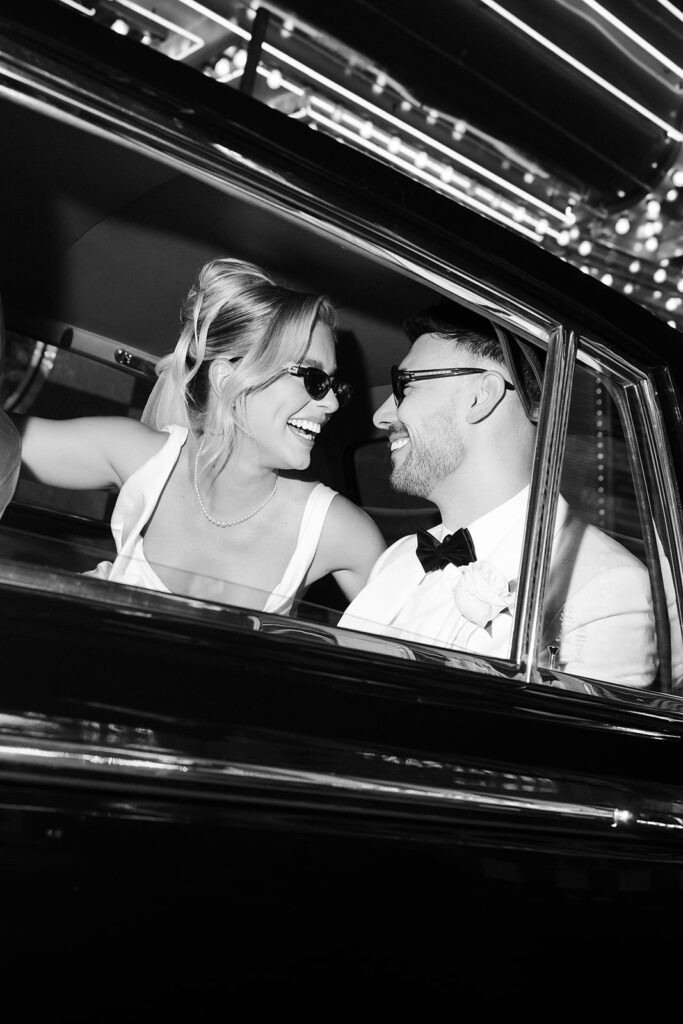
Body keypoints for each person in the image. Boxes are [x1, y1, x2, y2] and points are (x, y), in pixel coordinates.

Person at [15, 258, 386, 613]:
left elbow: (418, 650)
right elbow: (6, 442)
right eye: (314, 379)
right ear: (227, 379)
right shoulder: (141, 457)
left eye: (335, 385)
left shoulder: (337, 531)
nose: (333, 404)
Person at [338, 305, 658, 688]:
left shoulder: (604, 585)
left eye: (403, 385)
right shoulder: (398, 558)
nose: (381, 414)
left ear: (481, 396)